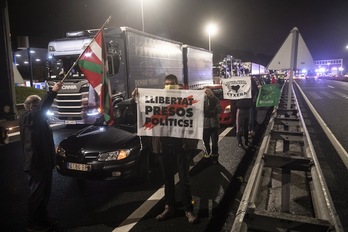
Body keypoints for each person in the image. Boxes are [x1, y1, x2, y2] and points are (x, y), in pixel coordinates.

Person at [132, 75, 198, 224]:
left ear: (177, 84)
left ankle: (188, 209)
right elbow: (142, 112)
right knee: (167, 180)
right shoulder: (157, 99)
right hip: (163, 147)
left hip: (181, 147)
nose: (169, 86)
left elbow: (198, 112)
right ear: (163, 85)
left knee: (184, 180)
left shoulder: (185, 99)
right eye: (166, 84)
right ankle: (169, 207)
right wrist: (135, 100)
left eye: (172, 84)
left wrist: (211, 97)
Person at [19, 81, 63, 231]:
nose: (39, 107)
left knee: (44, 194)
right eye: (37, 104)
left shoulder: (37, 120)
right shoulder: (28, 118)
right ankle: (32, 223)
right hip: (35, 164)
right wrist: (53, 91)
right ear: (32, 106)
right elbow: (42, 108)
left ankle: (43, 218)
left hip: (44, 163)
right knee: (36, 195)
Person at [202, 87, 221, 164]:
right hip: (205, 125)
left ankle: (215, 156)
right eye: (205, 92)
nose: (207, 93)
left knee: (214, 142)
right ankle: (207, 154)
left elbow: (219, 109)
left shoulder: (215, 99)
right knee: (205, 142)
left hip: (214, 124)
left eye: (208, 91)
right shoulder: (201, 100)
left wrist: (212, 112)